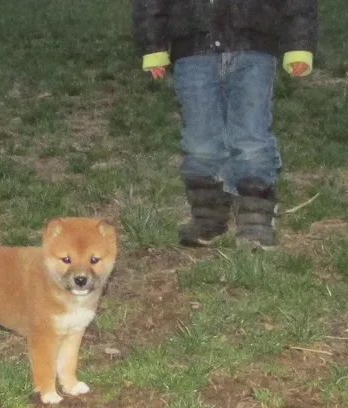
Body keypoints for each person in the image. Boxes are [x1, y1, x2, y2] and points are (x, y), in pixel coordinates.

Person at [132, 0, 318, 248]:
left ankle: (256, 220)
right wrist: (153, 45)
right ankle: (208, 218)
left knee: (252, 137)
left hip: (254, 49)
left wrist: (300, 44)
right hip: (192, 52)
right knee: (200, 140)